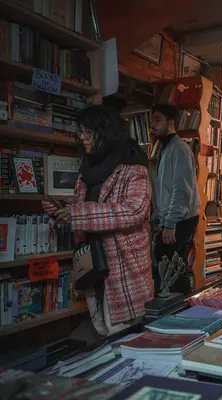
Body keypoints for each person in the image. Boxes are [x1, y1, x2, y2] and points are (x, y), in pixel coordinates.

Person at [42, 105, 153, 336]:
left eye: (88, 132)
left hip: (123, 267)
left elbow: (133, 211)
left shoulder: (133, 167)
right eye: (80, 132)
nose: (82, 138)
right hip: (92, 263)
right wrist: (63, 210)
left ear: (106, 131)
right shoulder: (88, 168)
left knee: (122, 333)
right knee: (102, 330)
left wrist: (78, 214)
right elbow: (84, 206)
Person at [150, 104, 200, 295]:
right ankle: (182, 307)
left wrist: (170, 224)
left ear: (171, 123)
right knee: (170, 264)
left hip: (180, 219)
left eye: (157, 120)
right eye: (152, 121)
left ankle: (185, 307)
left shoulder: (179, 149)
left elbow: (181, 190)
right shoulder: (165, 149)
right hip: (172, 218)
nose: (152, 125)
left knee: (172, 265)